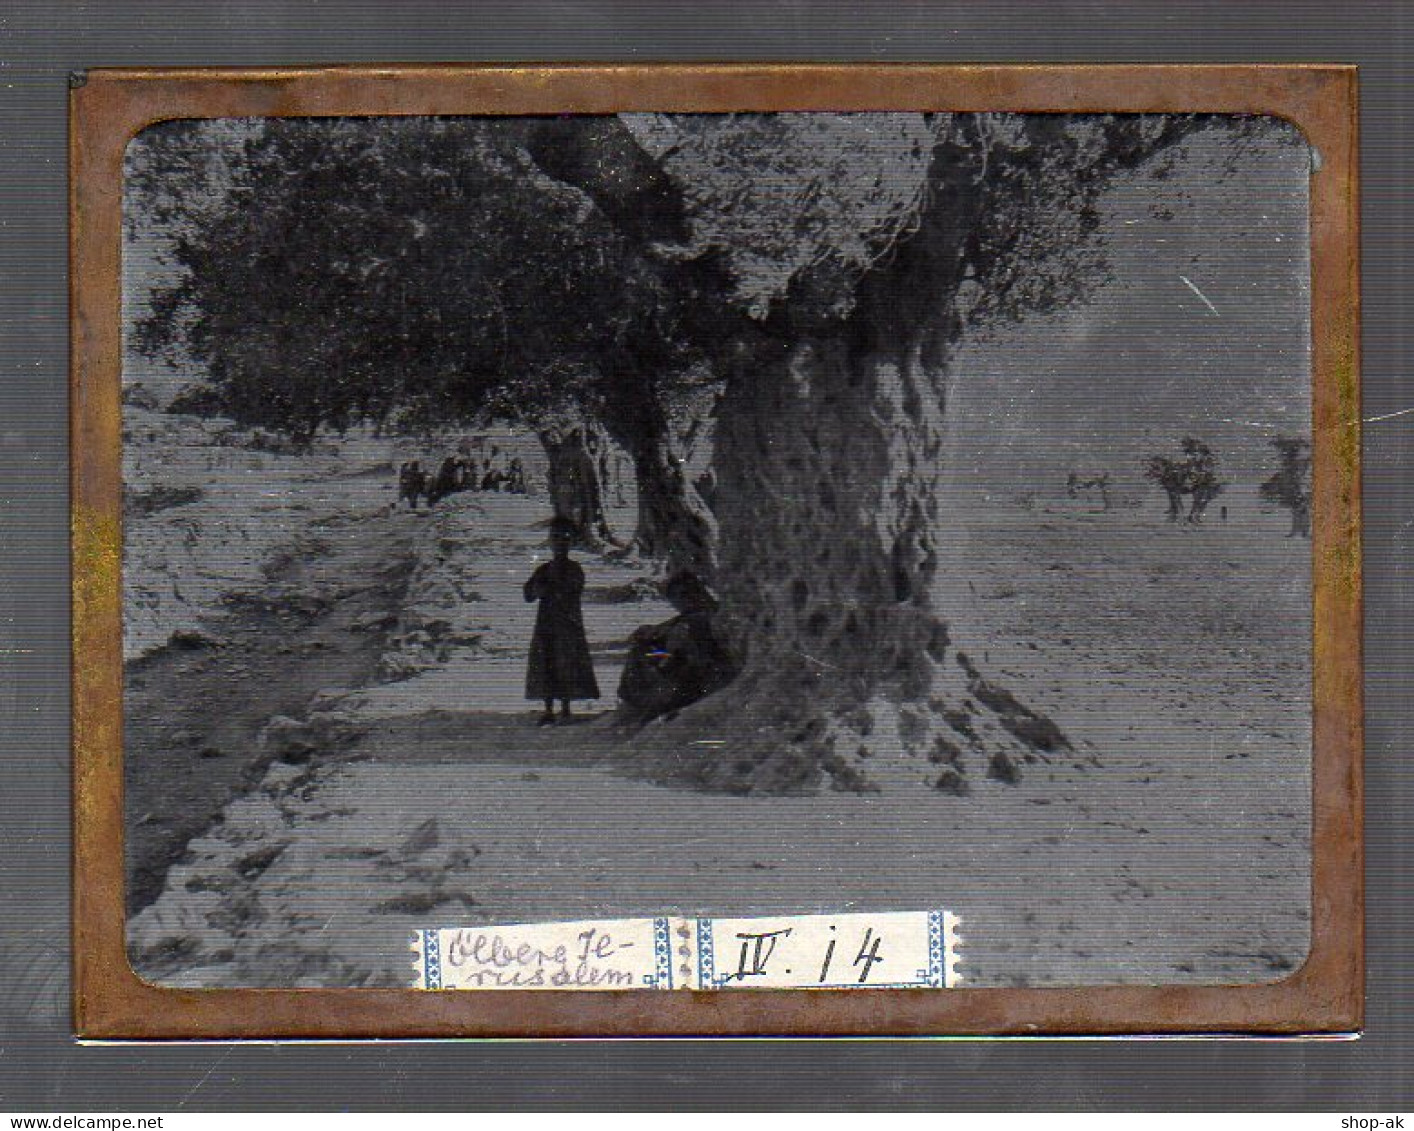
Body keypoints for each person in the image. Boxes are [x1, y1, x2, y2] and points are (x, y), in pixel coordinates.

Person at [617, 571, 737, 722]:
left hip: (692, 680)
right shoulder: (698, 613)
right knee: (646, 651)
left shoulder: (698, 619)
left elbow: (684, 657)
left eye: (681, 596)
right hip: (685, 670)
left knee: (644, 653)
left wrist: (662, 655)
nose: (679, 602)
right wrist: (655, 632)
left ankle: (639, 703)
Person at [523, 517, 600, 724]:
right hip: (546, 624)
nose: (560, 544)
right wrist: (537, 587)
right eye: (556, 538)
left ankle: (565, 709)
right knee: (546, 662)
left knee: (566, 663)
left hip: (568, 625)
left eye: (565, 539)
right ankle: (548, 709)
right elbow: (528, 594)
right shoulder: (543, 569)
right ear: (550, 541)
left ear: (571, 543)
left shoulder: (575, 569)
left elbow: (571, 590)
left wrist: (550, 589)